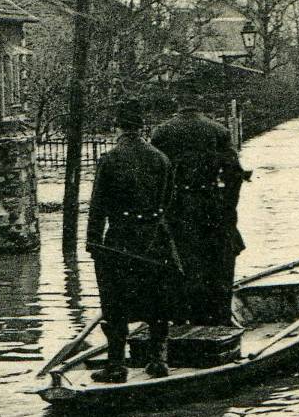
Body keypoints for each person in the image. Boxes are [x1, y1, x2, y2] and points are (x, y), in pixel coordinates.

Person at [86, 100, 182, 382]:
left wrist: (93, 242)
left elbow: (98, 206)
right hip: (154, 238)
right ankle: (158, 361)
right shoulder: (161, 159)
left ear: (118, 128)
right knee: (157, 298)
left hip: (120, 238)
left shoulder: (109, 159)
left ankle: (116, 366)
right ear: (142, 128)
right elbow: (168, 201)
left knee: (115, 301)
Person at [151, 96, 248, 327]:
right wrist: (227, 208)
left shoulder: (162, 133)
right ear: (200, 103)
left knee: (179, 261)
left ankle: (180, 319)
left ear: (177, 102)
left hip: (176, 209)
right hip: (210, 205)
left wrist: (162, 209)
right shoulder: (218, 131)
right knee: (218, 259)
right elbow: (234, 175)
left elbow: (154, 176)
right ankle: (218, 319)